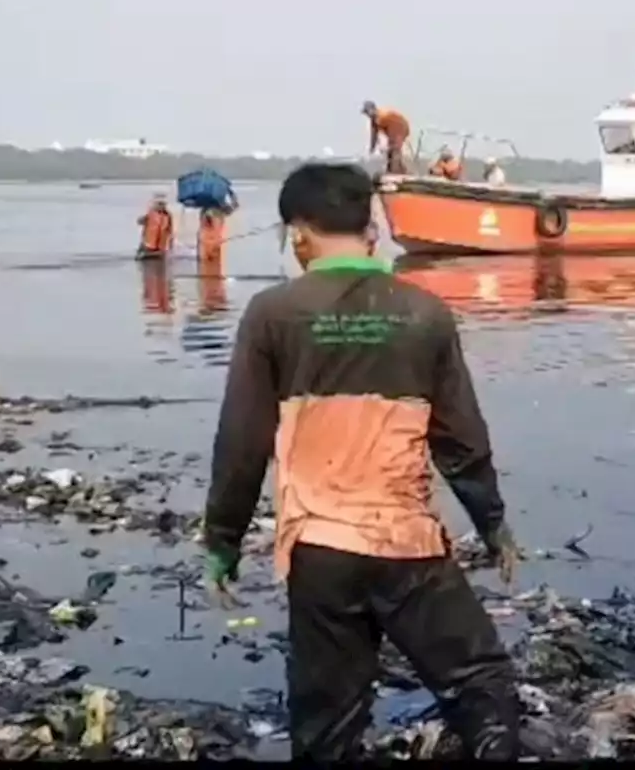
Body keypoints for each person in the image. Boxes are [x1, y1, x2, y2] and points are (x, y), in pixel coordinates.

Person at [202, 162, 522, 761]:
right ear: (369, 226)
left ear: (298, 234)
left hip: (319, 551)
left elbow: (242, 441)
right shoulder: (425, 313)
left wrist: (222, 541)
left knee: (329, 725)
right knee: (483, 687)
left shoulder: (273, 313)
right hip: (408, 547)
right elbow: (461, 439)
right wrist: (493, 524)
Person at [362, 101, 411, 175]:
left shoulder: (383, 116)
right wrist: (371, 150)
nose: (367, 115)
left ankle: (395, 172)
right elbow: (374, 136)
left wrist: (390, 145)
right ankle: (401, 171)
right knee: (390, 151)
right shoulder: (374, 120)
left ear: (372, 110)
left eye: (367, 112)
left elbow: (394, 131)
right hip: (395, 129)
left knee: (394, 150)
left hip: (399, 127)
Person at [136, 194, 174, 260]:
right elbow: (139, 221)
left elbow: (170, 231)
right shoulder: (150, 214)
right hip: (147, 246)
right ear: (155, 205)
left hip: (160, 248)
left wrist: (171, 244)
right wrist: (142, 219)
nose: (161, 206)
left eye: (163, 204)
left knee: (160, 265)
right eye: (159, 204)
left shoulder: (167, 215)